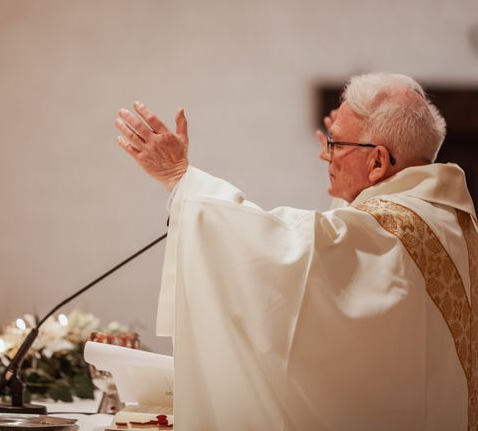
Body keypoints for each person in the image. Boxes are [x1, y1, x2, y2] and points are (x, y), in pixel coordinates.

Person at [114, 73, 478, 431]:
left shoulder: (395, 227)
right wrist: (349, 175)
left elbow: (296, 255)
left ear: (378, 163)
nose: (324, 154)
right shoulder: (444, 217)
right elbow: (352, 251)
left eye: (335, 144)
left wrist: (180, 178)